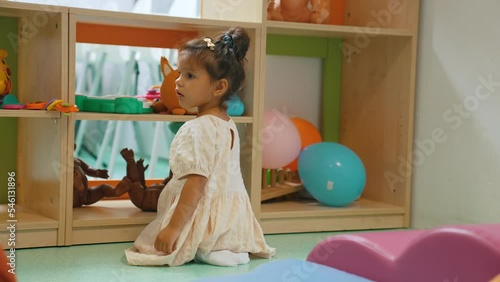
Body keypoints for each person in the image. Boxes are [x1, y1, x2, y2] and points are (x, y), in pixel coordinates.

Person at [125, 27, 276, 267]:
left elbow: (196, 185)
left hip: (204, 210)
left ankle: (208, 246)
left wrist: (173, 228)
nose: (178, 82)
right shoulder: (226, 123)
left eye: (190, 76)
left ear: (219, 87)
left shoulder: (198, 128)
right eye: (180, 74)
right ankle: (224, 244)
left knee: (149, 248)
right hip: (230, 214)